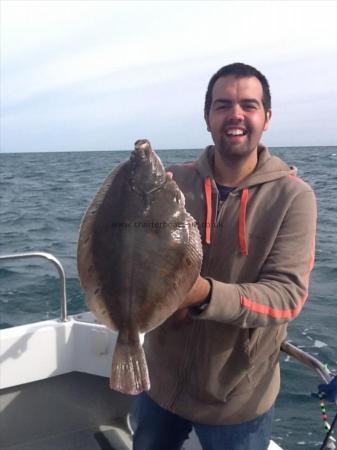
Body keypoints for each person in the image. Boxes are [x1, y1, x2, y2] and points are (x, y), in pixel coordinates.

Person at [132, 62, 317, 450]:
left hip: (237, 402)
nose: (236, 114)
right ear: (207, 117)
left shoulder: (292, 198)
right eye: (223, 105)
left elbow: (286, 297)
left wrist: (202, 295)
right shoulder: (173, 184)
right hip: (159, 385)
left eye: (249, 105)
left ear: (267, 117)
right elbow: (132, 252)